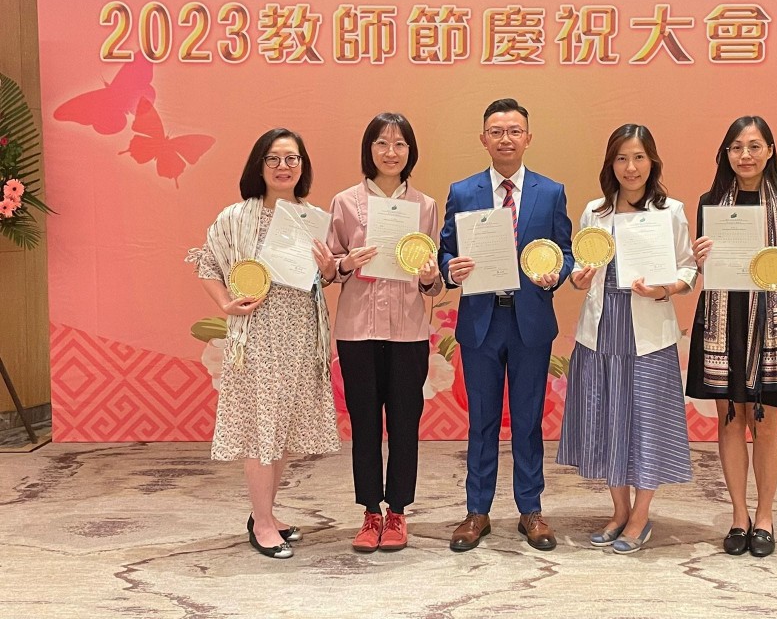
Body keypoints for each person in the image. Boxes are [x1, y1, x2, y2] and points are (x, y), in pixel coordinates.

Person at [192, 127, 341, 559]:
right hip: (257, 336)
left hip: (302, 335)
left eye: (292, 158)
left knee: (284, 429)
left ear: (302, 166)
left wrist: (328, 268)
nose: (283, 167)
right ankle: (261, 523)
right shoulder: (235, 217)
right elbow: (207, 264)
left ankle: (267, 514)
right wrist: (226, 304)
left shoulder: (313, 218)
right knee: (262, 428)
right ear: (259, 166)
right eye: (273, 158)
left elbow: (324, 277)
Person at [438, 97, 573, 552]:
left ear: (528, 138)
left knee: (529, 420)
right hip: (481, 321)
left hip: (530, 321)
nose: (506, 139)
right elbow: (445, 249)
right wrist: (450, 267)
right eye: (496, 131)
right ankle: (477, 511)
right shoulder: (463, 192)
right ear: (483, 139)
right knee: (482, 420)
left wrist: (558, 273)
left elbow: (565, 250)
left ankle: (530, 510)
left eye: (514, 131)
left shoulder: (550, 192)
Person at [557, 124, 698, 554]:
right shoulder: (594, 212)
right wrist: (578, 278)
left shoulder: (670, 211)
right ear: (610, 164)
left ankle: (640, 515)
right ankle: (618, 511)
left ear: (652, 161)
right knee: (607, 420)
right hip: (600, 333)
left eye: (638, 157)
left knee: (645, 423)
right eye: (621, 158)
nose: (630, 167)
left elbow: (688, 267)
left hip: (649, 335)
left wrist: (665, 289)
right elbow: (581, 270)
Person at [685, 115, 777, 558]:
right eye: (737, 147)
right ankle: (739, 515)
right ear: (727, 153)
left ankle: (765, 516)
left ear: (770, 151)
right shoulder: (710, 204)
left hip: (770, 322)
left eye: (754, 146)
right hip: (723, 318)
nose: (745, 155)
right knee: (730, 419)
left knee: (766, 422)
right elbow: (705, 268)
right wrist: (698, 258)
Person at [326, 113, 442, 553]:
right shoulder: (344, 202)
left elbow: (432, 281)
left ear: (411, 151)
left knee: (405, 422)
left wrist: (430, 277)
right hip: (357, 328)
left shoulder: (425, 206)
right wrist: (346, 263)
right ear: (368, 149)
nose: (390, 152)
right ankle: (370, 511)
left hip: (408, 329)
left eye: (399, 144)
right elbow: (329, 268)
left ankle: (397, 512)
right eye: (381, 143)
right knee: (365, 423)